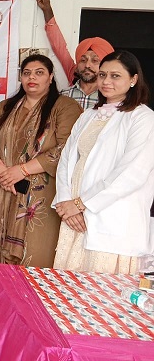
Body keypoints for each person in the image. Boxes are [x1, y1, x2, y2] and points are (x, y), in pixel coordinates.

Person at [0, 55, 82, 277]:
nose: (32, 77)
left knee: (34, 259)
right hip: (1, 185)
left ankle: (28, 298)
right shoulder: (6, 107)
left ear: (51, 77)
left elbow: (66, 147)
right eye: (27, 73)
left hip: (40, 193)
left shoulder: (64, 107)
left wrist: (21, 170)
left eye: (39, 72)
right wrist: (0, 168)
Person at [52, 50, 154, 273]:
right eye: (102, 75)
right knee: (70, 286)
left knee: (102, 288)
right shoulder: (88, 115)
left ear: (133, 79)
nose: (106, 81)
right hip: (74, 217)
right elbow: (66, 160)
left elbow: (132, 173)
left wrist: (81, 204)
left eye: (115, 76)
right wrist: (66, 201)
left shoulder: (143, 118)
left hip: (112, 217)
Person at [33, 0, 114, 109]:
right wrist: (47, 11)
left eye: (95, 60)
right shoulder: (65, 94)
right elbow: (60, 48)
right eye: (83, 60)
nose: (87, 65)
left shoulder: (113, 97)